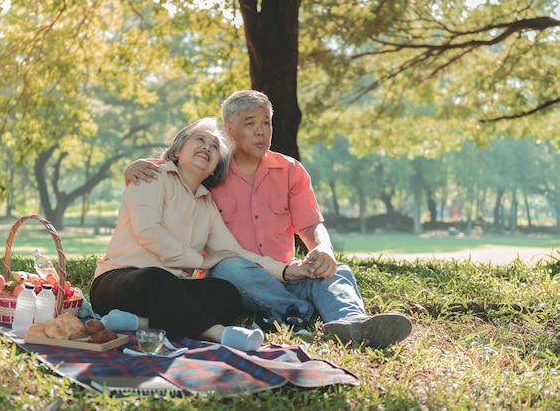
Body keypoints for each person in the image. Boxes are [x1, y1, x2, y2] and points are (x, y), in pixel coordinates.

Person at [124, 91, 412, 349]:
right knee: (229, 266)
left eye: (266, 123)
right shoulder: (211, 171)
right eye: (250, 123)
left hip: (287, 273)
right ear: (229, 128)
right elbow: (176, 168)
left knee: (335, 270)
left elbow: (310, 224)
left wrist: (323, 249)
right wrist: (135, 167)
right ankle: (301, 311)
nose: (261, 131)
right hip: (236, 279)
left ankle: (353, 323)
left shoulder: (290, 170)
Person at [91, 117, 290, 352]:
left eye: (214, 146)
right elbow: (149, 231)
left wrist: (285, 270)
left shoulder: (207, 205)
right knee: (155, 278)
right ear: (177, 150)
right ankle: (220, 334)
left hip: (170, 289)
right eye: (200, 139)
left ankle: (137, 322)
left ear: (217, 164)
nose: (207, 147)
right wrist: (200, 261)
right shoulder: (150, 176)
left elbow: (234, 251)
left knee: (225, 294)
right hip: (119, 282)